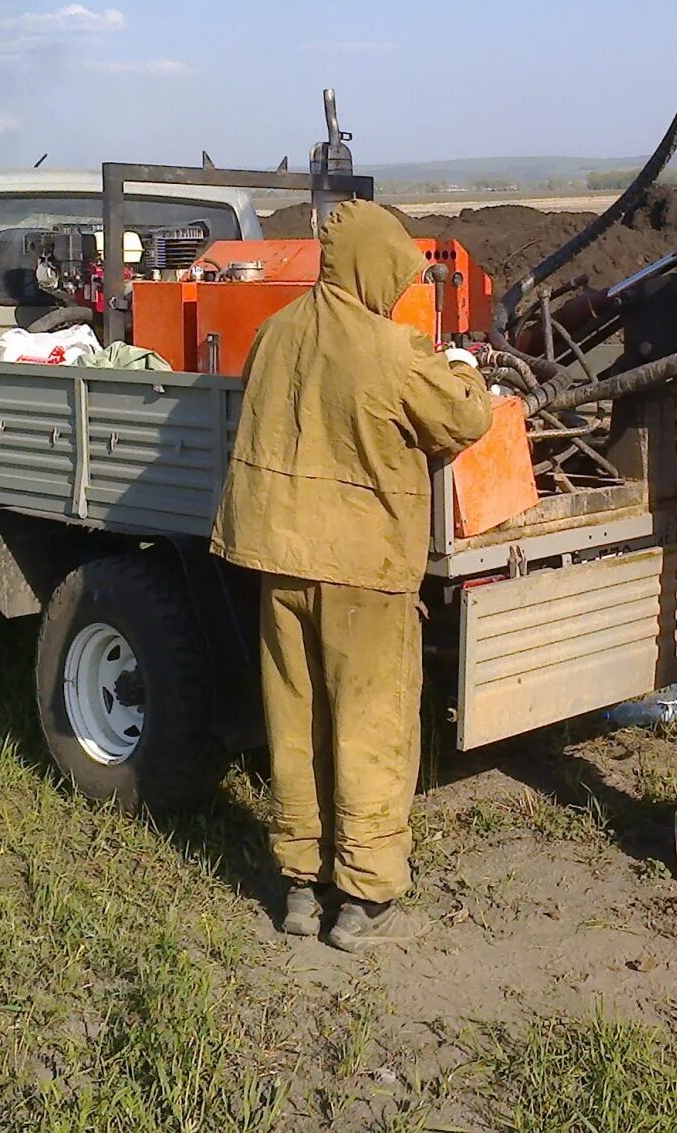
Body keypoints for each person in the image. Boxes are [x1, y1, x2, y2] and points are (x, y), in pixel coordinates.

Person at [211, 200, 492, 951]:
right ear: (374, 267)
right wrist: (464, 368)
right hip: (363, 574)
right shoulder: (395, 350)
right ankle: (363, 899)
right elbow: (465, 420)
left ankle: (301, 886)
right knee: (370, 727)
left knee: (295, 725)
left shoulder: (274, 334)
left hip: (280, 562)